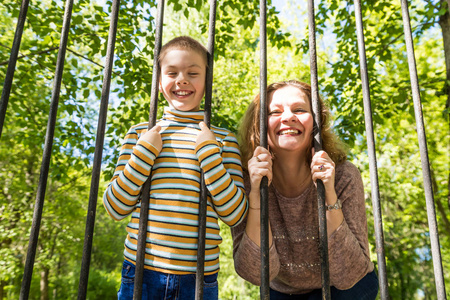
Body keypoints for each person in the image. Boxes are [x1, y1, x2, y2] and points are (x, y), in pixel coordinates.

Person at [103, 36, 248, 300]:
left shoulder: (223, 139)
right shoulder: (139, 134)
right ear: (159, 82)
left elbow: (234, 214)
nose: (182, 79)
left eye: (193, 73)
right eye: (172, 73)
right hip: (139, 271)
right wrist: (144, 154)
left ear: (207, 81)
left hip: (198, 277)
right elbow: (115, 207)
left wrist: (209, 156)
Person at [231, 80, 379, 299]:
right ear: (259, 125)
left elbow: (350, 274)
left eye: (299, 109)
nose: (288, 117)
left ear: (316, 122)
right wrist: (256, 195)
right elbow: (255, 272)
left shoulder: (343, 175)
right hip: (284, 291)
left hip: (346, 289)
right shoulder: (246, 179)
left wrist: (329, 192)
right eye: (275, 111)